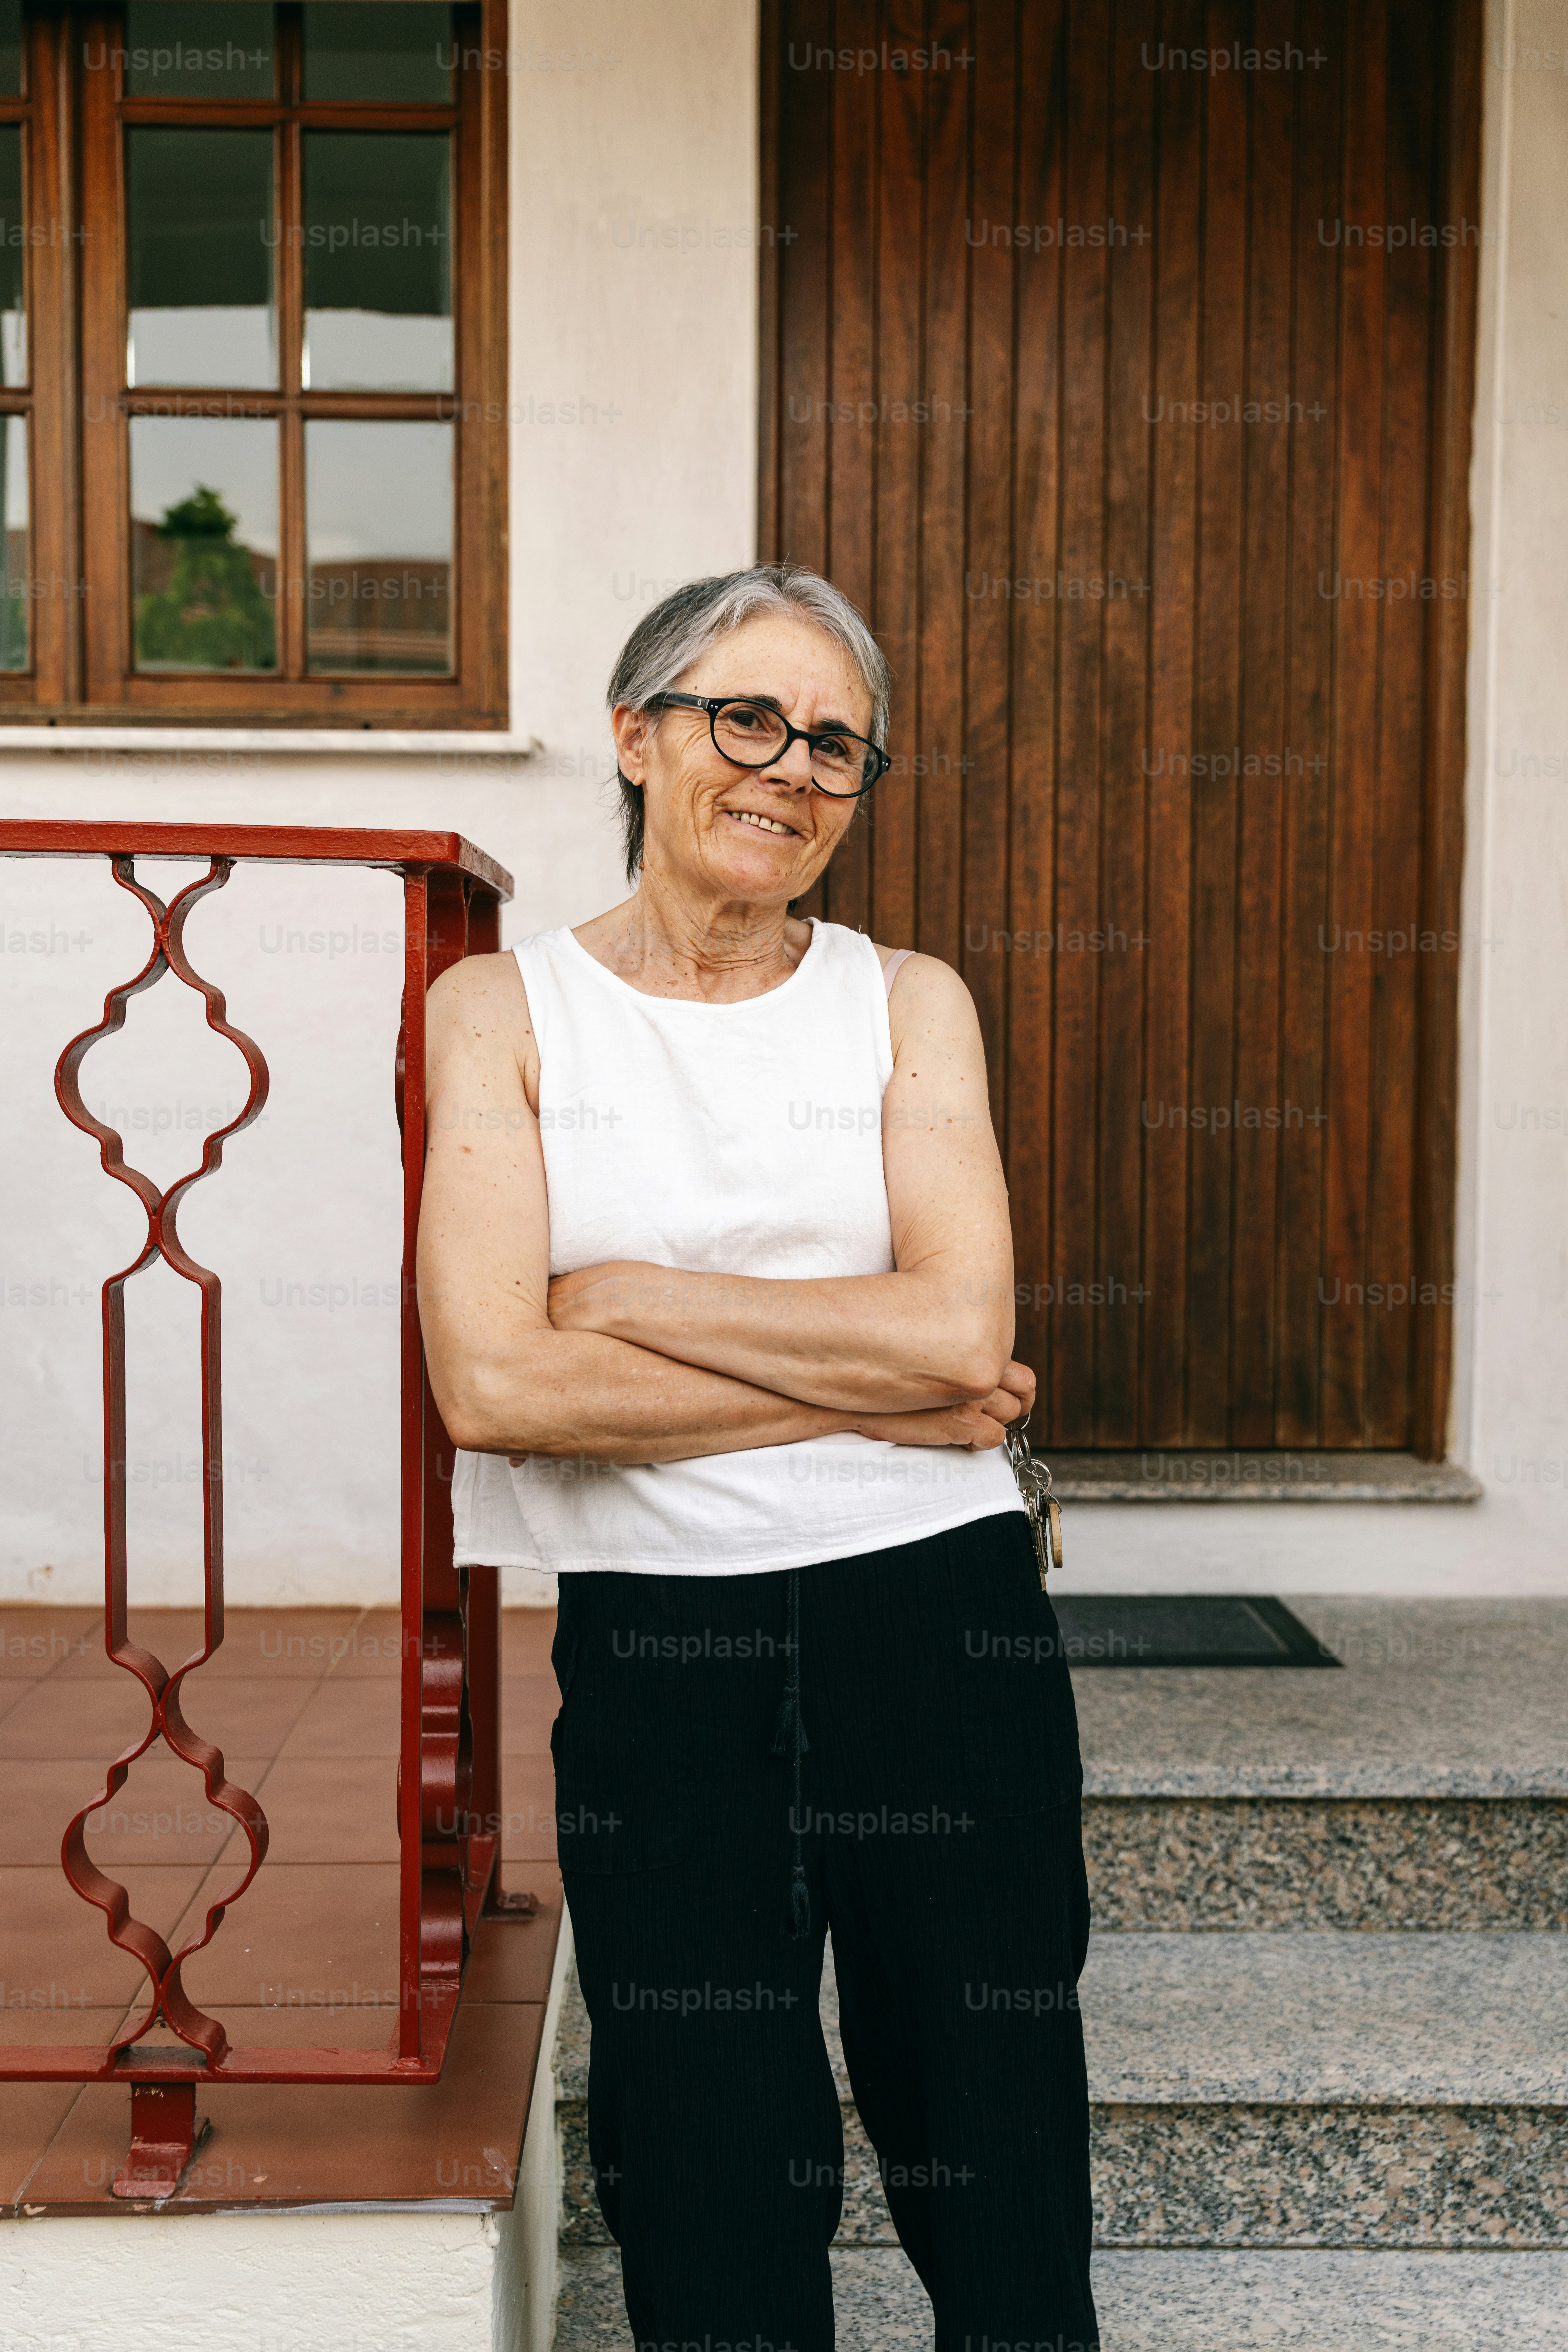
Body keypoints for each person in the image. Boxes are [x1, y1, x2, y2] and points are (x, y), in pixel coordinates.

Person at [418, 564, 1096, 2352]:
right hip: (664, 1630)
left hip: (938, 1613)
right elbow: (497, 1381)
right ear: (636, 737)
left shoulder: (907, 1000)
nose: (790, 767)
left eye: (836, 744)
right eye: (745, 718)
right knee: (702, 2121)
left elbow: (962, 1331)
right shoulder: (501, 1010)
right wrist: (883, 1389)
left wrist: (635, 1298)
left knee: (990, 2096)